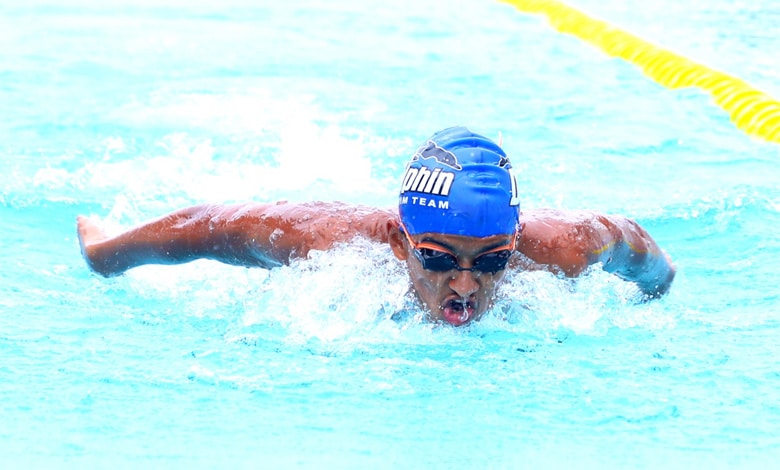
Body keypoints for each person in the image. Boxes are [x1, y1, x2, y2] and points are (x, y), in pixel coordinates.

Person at [77, 126, 675, 326]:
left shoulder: (563, 249)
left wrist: (658, 288)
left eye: (491, 261)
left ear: (513, 244)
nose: (465, 287)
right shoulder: (330, 242)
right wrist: (107, 255)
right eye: (439, 259)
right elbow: (205, 226)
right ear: (400, 242)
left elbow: (633, 242)